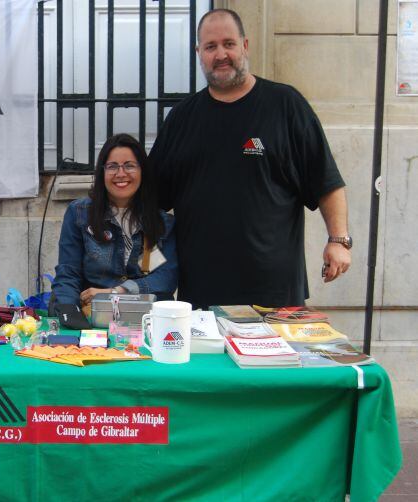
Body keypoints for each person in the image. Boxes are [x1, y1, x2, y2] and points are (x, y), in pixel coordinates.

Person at [148, 9, 352, 309]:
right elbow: (151, 203)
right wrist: (142, 266)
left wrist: (339, 240)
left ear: (245, 45)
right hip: (202, 295)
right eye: (210, 46)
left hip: (275, 294)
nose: (221, 54)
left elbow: (326, 181)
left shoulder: (286, 105)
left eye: (229, 44)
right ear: (198, 53)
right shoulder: (181, 118)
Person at [52, 133, 178, 308]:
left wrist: (118, 292)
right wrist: (69, 312)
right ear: (102, 172)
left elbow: (167, 277)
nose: (121, 173)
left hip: (145, 318)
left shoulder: (162, 222)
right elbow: (68, 273)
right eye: (112, 166)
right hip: (94, 317)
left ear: (143, 171)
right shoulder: (79, 214)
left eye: (129, 166)